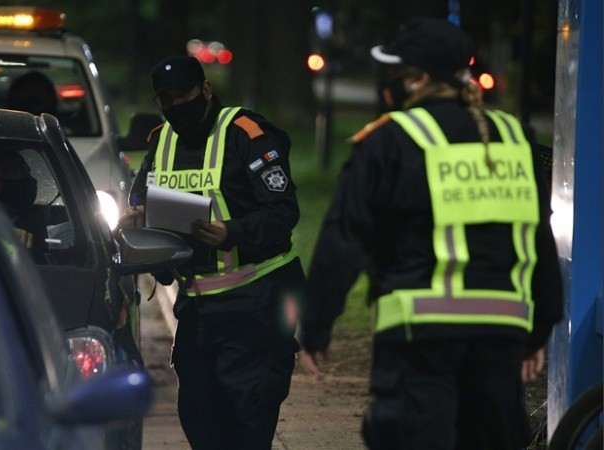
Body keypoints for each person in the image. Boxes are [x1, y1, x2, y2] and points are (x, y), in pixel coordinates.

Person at [298, 18, 563, 449]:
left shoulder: (391, 140)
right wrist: (540, 328)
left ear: (418, 79)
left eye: (396, 72)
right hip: (500, 336)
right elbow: (537, 236)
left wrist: (316, 326)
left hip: (418, 336)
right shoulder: (514, 138)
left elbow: (344, 237)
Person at [117, 55, 304, 449]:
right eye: (165, 100)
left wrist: (230, 233)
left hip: (256, 304)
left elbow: (283, 212)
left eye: (181, 95)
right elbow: (141, 198)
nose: (174, 106)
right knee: (200, 419)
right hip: (198, 309)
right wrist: (136, 218)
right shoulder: (161, 140)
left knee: (248, 424)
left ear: (205, 89)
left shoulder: (246, 133)